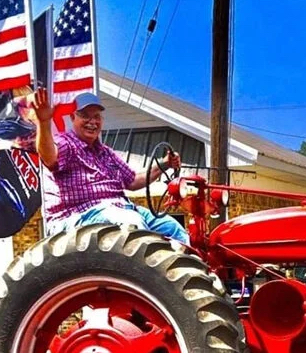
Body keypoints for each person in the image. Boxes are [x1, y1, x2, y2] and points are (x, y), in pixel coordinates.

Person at [30, 88, 190, 244]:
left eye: (97, 117)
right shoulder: (66, 143)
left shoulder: (106, 152)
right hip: (78, 215)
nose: (92, 122)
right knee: (132, 223)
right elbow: (49, 157)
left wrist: (165, 163)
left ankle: (191, 268)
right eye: (85, 116)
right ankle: (134, 271)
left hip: (120, 208)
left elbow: (133, 180)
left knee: (172, 228)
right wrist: (44, 122)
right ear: (73, 117)